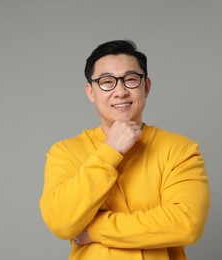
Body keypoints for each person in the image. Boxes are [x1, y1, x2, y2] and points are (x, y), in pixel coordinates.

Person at [39, 40, 210, 259]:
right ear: (91, 92)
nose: (120, 91)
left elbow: (186, 224)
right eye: (107, 82)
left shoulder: (180, 149)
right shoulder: (65, 152)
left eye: (130, 80)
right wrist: (110, 151)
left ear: (146, 87)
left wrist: (94, 230)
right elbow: (61, 223)